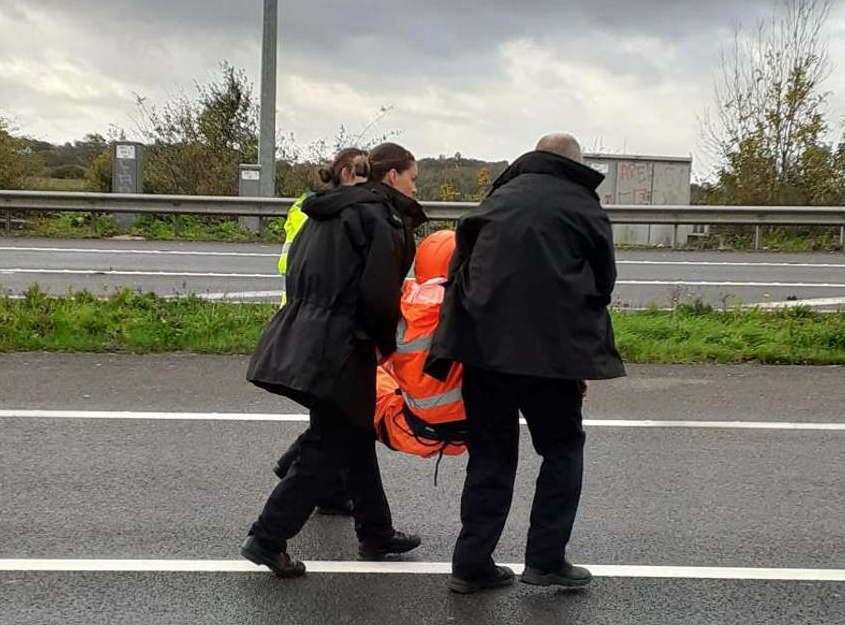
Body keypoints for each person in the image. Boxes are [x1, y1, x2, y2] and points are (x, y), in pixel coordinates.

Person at [426, 133, 627, 594]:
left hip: (484, 352)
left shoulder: (494, 200)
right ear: (574, 164)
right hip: (551, 357)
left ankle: (471, 564)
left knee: (491, 456)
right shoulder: (584, 206)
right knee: (561, 449)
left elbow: (458, 273)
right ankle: (546, 560)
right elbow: (603, 284)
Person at [242, 142, 427, 577]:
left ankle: (375, 532)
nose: (416, 188)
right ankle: (268, 537)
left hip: (306, 331)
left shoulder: (322, 211)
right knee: (330, 443)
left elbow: (300, 273)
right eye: (413, 178)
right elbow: (380, 293)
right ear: (392, 176)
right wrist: (388, 347)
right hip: (342, 344)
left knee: (354, 432)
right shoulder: (379, 215)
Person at [272, 148, 372, 517]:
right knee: (336, 425)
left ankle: (336, 495)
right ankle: (271, 530)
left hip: (304, 315)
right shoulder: (340, 211)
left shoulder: (312, 205)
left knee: (337, 420)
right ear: (347, 174)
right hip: (320, 321)